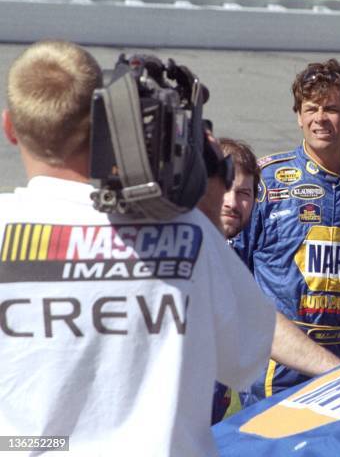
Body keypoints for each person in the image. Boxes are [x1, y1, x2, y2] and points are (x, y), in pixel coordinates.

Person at [0, 40, 275, 456]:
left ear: (9, 128)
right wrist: (207, 204)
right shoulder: (189, 232)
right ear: (104, 118)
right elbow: (245, 358)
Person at [235, 59, 340, 405]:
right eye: (311, 109)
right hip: (275, 367)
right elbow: (234, 275)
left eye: (332, 109)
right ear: (298, 116)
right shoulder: (265, 181)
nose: (320, 118)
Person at [198, 138, 340, 423]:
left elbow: (260, 323)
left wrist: (339, 370)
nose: (232, 202)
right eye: (224, 188)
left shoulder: (219, 258)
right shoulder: (181, 250)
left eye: (244, 193)